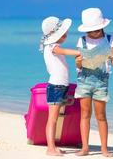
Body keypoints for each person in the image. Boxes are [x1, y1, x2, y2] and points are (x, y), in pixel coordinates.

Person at [74, 8, 113, 157]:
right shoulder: (82, 40)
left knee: (101, 116)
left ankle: (104, 149)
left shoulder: (110, 39)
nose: (94, 33)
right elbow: (78, 65)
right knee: (85, 114)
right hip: (84, 79)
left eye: (97, 29)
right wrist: (79, 62)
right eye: (91, 30)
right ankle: (85, 148)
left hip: (101, 80)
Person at [39, 16, 80, 156]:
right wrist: (79, 52)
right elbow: (64, 52)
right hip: (56, 87)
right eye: (63, 33)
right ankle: (50, 148)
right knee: (53, 119)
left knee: (56, 118)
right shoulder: (52, 47)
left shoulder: (53, 47)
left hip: (61, 86)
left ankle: (53, 146)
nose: (66, 35)